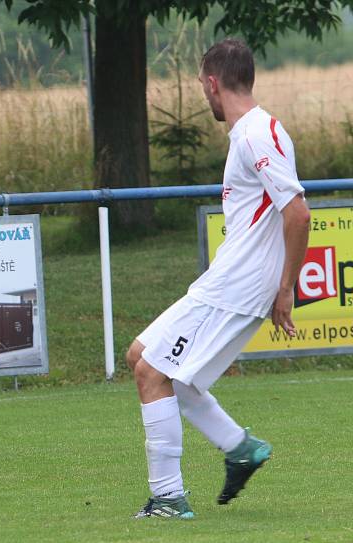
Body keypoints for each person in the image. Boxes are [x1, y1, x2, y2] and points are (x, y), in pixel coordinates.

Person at [127, 39, 310, 519]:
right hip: (234, 280)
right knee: (149, 360)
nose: (205, 96)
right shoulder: (258, 131)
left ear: (212, 83)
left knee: (151, 370)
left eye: (201, 87)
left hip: (237, 284)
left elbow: (298, 213)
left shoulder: (255, 134)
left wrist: (285, 287)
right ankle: (240, 448)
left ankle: (168, 497)